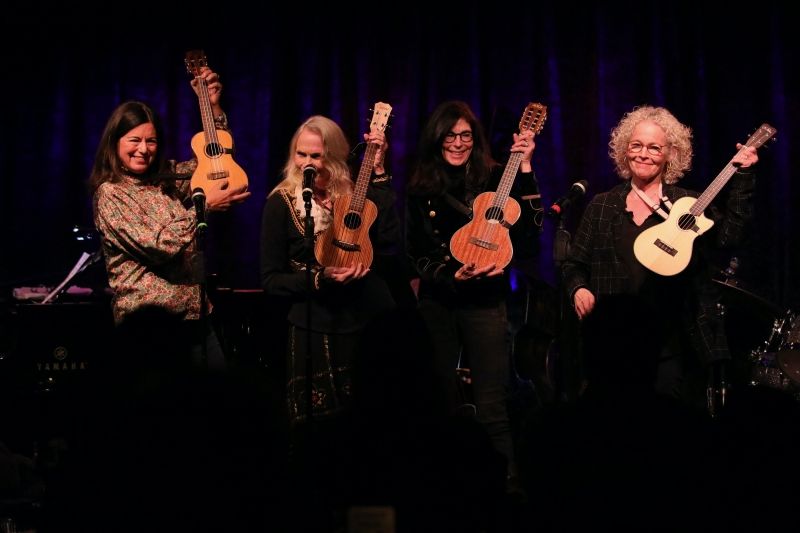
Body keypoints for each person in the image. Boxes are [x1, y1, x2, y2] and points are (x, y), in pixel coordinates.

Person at [561, 105, 758, 411]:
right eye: (636, 145)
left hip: (670, 345)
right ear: (624, 151)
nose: (643, 154)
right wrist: (579, 288)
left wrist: (743, 176)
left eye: (654, 147)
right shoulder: (602, 206)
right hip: (611, 343)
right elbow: (574, 264)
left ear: (670, 154)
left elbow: (729, 236)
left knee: (664, 432)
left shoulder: (686, 205)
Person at [405, 100, 543, 484]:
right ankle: (440, 487)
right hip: (440, 299)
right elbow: (413, 253)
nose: (458, 143)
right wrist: (451, 277)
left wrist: (527, 167)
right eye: (450, 135)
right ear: (437, 138)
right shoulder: (420, 187)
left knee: (492, 405)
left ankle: (506, 489)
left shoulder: (497, 177)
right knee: (441, 400)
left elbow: (531, 236)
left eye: (466, 135)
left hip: (485, 300)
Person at [259, 115, 397, 428]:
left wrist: (377, 170)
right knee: (317, 429)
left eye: (316, 156)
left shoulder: (354, 198)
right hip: (313, 325)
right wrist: (321, 278)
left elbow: (389, 244)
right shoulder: (280, 203)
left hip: (361, 318)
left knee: (367, 421)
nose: (307, 162)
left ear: (332, 157)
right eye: (301, 153)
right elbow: (270, 279)